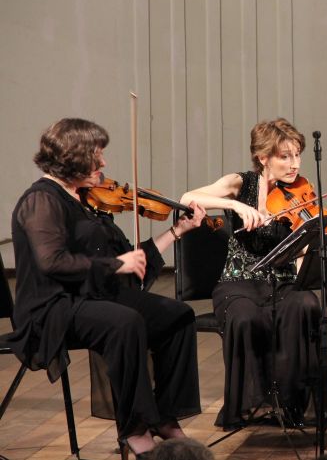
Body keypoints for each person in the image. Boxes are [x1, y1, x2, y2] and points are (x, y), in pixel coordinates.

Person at [7, 118, 206, 459]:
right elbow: (51, 262)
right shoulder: (40, 200)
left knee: (178, 315)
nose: (103, 163)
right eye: (96, 155)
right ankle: (135, 427)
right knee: (124, 322)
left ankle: (164, 415)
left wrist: (176, 232)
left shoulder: (87, 200)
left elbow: (129, 260)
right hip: (53, 306)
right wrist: (115, 265)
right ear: (72, 158)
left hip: (95, 295)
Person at [181, 117, 327, 430]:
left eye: (297, 155)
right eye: (285, 156)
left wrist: (304, 279)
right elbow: (187, 199)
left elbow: (304, 249)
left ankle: (293, 405)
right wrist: (235, 207)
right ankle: (251, 406)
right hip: (239, 281)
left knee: (306, 306)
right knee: (245, 317)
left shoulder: (300, 190)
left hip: (283, 281)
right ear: (263, 157)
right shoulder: (242, 183)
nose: (294, 164)